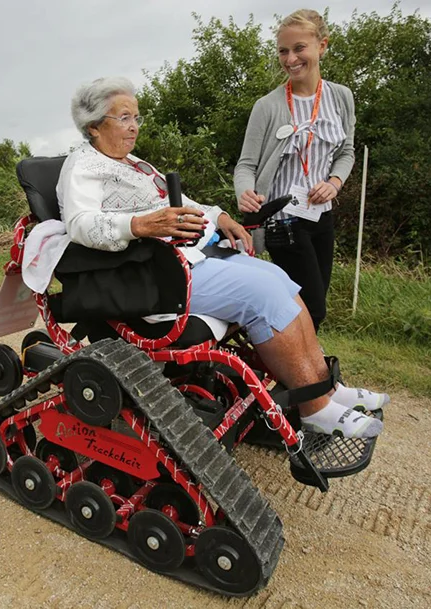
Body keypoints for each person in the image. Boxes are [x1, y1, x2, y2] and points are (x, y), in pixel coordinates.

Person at [55, 76, 386, 439]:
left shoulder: (135, 164)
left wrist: (220, 216)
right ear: (94, 126)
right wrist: (141, 224)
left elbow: (182, 203)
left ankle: (326, 387)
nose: (134, 126)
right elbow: (80, 224)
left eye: (136, 117)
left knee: (281, 280)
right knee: (263, 294)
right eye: (124, 118)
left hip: (183, 258)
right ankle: (315, 408)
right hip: (149, 276)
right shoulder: (84, 166)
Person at [234, 9, 354, 333]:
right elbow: (246, 165)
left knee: (310, 304)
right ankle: (301, 363)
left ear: (322, 45)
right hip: (282, 220)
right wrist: (244, 192)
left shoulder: (341, 98)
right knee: (312, 307)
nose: (290, 59)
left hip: (321, 218)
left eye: (299, 48)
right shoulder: (267, 106)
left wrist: (334, 183)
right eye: (283, 51)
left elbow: (346, 152)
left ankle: (292, 358)